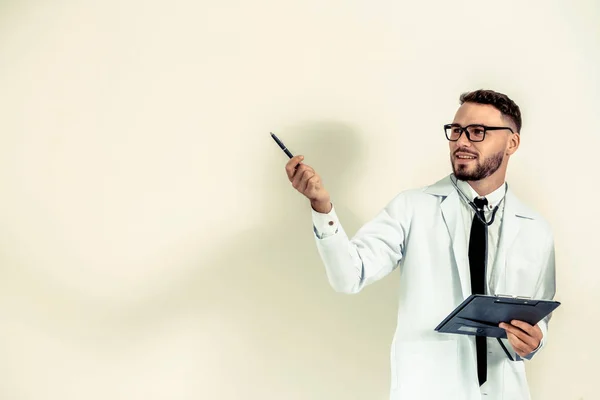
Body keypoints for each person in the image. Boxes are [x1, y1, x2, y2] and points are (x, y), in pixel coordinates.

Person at [283, 89, 556, 400]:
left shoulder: (536, 229)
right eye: (456, 131)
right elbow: (349, 276)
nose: (462, 142)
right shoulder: (411, 208)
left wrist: (536, 340)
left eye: (478, 132)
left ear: (512, 143)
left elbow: (540, 315)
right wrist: (322, 207)